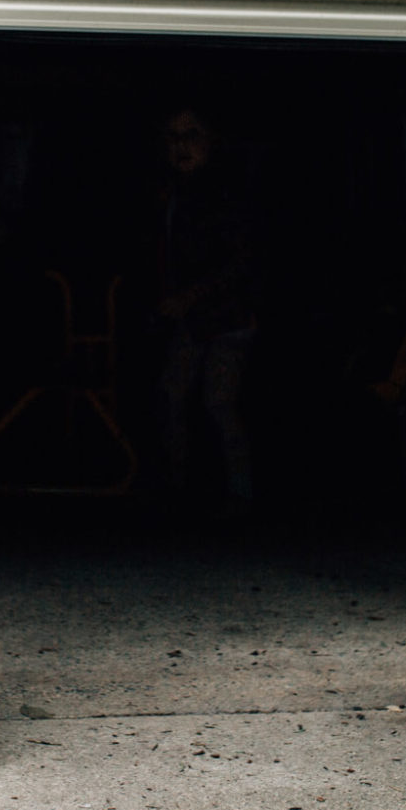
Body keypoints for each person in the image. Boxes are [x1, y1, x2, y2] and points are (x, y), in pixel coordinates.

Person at [154, 106, 257, 510]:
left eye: (191, 135)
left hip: (226, 317)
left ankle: (239, 496)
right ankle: (179, 493)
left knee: (218, 402)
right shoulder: (170, 193)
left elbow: (240, 262)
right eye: (173, 137)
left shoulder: (226, 195)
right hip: (190, 318)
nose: (182, 147)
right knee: (171, 396)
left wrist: (189, 297)